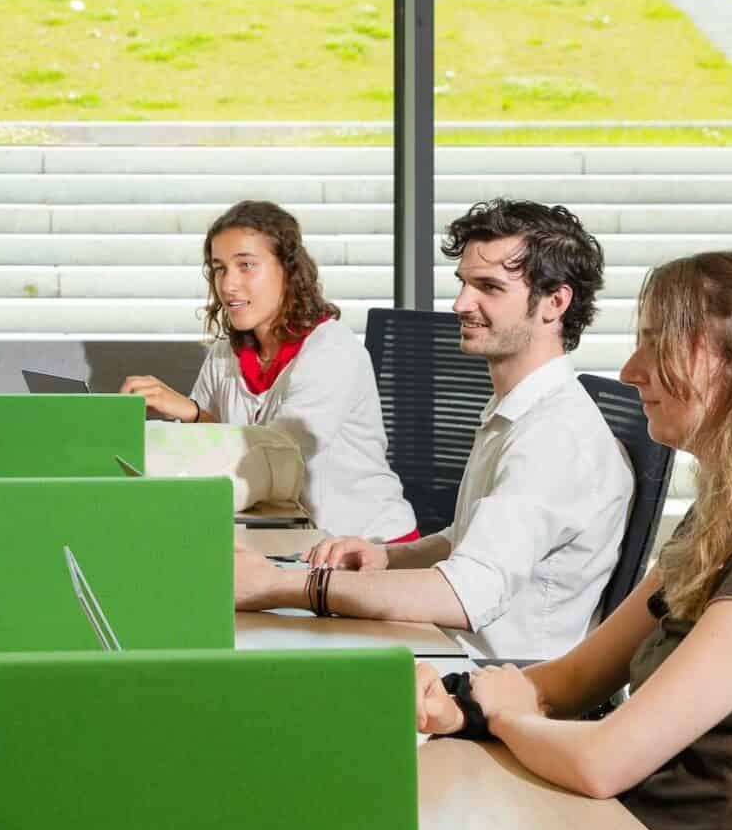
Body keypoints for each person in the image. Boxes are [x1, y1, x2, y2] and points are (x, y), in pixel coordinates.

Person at [410, 249, 732, 830]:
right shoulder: (725, 516)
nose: (631, 372)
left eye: (658, 345)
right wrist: (460, 700)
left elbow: (604, 761)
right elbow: (574, 679)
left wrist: (500, 717)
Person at [232, 198, 631, 661]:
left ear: (555, 303)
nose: (461, 304)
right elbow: (470, 537)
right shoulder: (519, 410)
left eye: (489, 287)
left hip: (480, 676)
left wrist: (279, 586)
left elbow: (466, 594)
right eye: (463, 283)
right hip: (437, 649)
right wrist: (389, 557)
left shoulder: (554, 439)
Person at [119, 200, 413, 542]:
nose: (227, 285)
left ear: (288, 269)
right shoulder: (226, 353)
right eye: (219, 268)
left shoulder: (332, 350)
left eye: (245, 265)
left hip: (364, 546)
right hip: (280, 537)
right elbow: (216, 450)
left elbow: (277, 460)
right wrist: (193, 414)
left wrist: (176, 436)